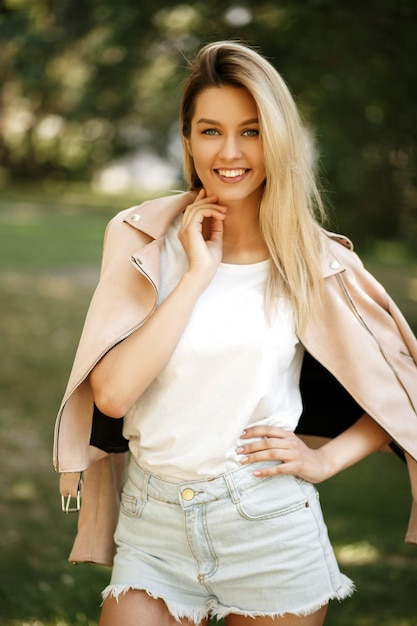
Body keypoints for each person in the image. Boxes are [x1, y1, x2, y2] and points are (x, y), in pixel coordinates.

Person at [53, 41, 417, 626]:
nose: (229, 152)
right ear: (187, 139)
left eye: (251, 131)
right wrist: (197, 274)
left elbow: (404, 391)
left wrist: (325, 462)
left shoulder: (314, 262)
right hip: (153, 525)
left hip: (268, 527)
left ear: (277, 140)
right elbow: (114, 395)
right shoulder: (140, 238)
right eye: (210, 131)